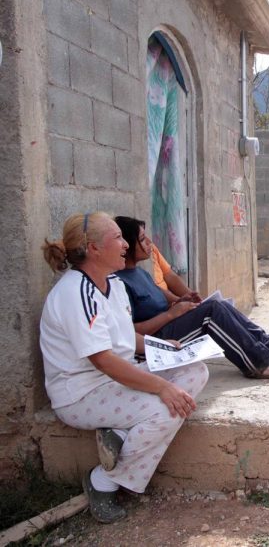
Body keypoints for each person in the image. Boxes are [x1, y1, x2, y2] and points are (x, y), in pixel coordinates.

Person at [40, 212, 209, 523]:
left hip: (114, 379)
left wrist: (163, 348)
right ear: (93, 248)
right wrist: (162, 386)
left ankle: (117, 433)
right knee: (169, 406)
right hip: (82, 394)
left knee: (196, 370)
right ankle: (102, 482)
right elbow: (103, 360)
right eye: (117, 237)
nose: (124, 244)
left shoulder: (113, 284)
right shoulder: (76, 293)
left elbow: (123, 338)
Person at [113, 216, 269, 381]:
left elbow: (162, 297)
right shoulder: (119, 283)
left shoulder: (140, 274)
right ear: (128, 245)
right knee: (212, 313)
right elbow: (129, 334)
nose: (149, 243)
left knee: (217, 305)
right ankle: (260, 363)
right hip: (153, 344)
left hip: (169, 326)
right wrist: (171, 314)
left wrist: (182, 300)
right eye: (142, 239)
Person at [150, 240, 201, 305]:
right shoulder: (138, 273)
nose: (149, 242)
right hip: (164, 308)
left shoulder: (151, 249)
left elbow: (170, 276)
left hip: (174, 305)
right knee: (213, 307)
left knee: (212, 304)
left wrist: (193, 298)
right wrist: (179, 301)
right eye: (142, 239)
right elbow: (154, 290)